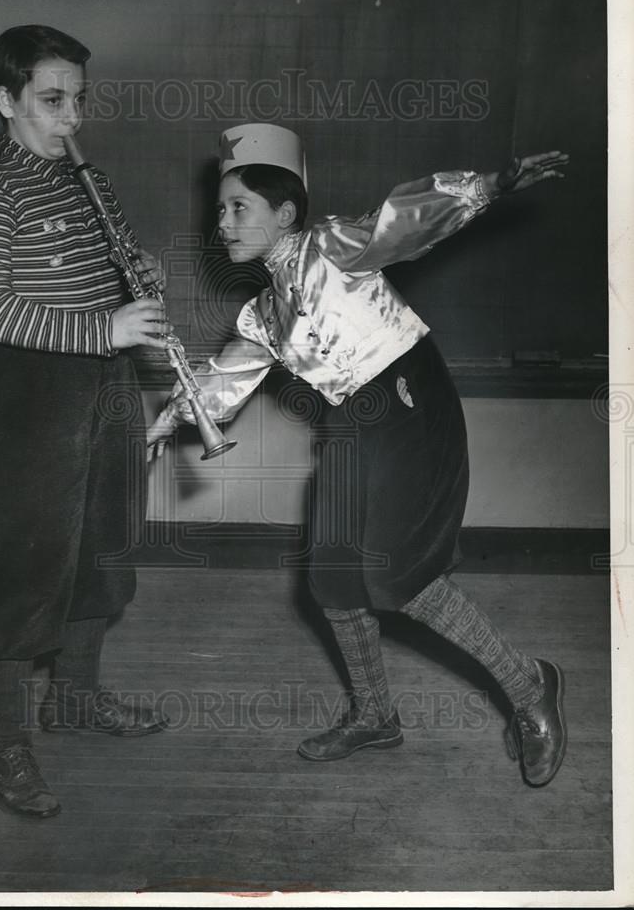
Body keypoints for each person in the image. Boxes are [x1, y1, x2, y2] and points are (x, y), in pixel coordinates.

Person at [147, 122, 569, 787]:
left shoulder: (329, 247)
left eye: (237, 207)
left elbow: (401, 220)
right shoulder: (262, 313)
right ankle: (375, 715)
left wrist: (490, 185)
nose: (221, 221)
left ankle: (528, 687)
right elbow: (225, 381)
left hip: (407, 398)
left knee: (398, 576)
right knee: (334, 575)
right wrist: (168, 418)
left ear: (283, 212)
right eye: (219, 208)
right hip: (350, 418)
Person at [0, 25, 171, 819]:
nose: (71, 118)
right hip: (18, 397)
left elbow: (115, 268)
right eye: (50, 100)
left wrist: (143, 280)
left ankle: (74, 700)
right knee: (14, 568)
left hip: (100, 390)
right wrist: (105, 330)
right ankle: (3, 744)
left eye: (78, 99)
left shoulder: (88, 181)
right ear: (7, 101)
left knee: (101, 548)